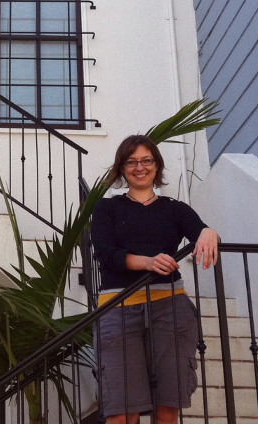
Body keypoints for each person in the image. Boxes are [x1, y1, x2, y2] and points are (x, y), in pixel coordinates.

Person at [91, 134, 220, 424]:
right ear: (122, 168)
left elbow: (199, 230)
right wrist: (147, 262)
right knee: (122, 413)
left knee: (167, 409)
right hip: (118, 307)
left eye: (147, 160)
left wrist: (209, 232)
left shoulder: (175, 208)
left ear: (157, 165)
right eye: (132, 161)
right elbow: (106, 254)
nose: (140, 167)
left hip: (169, 306)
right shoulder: (107, 208)